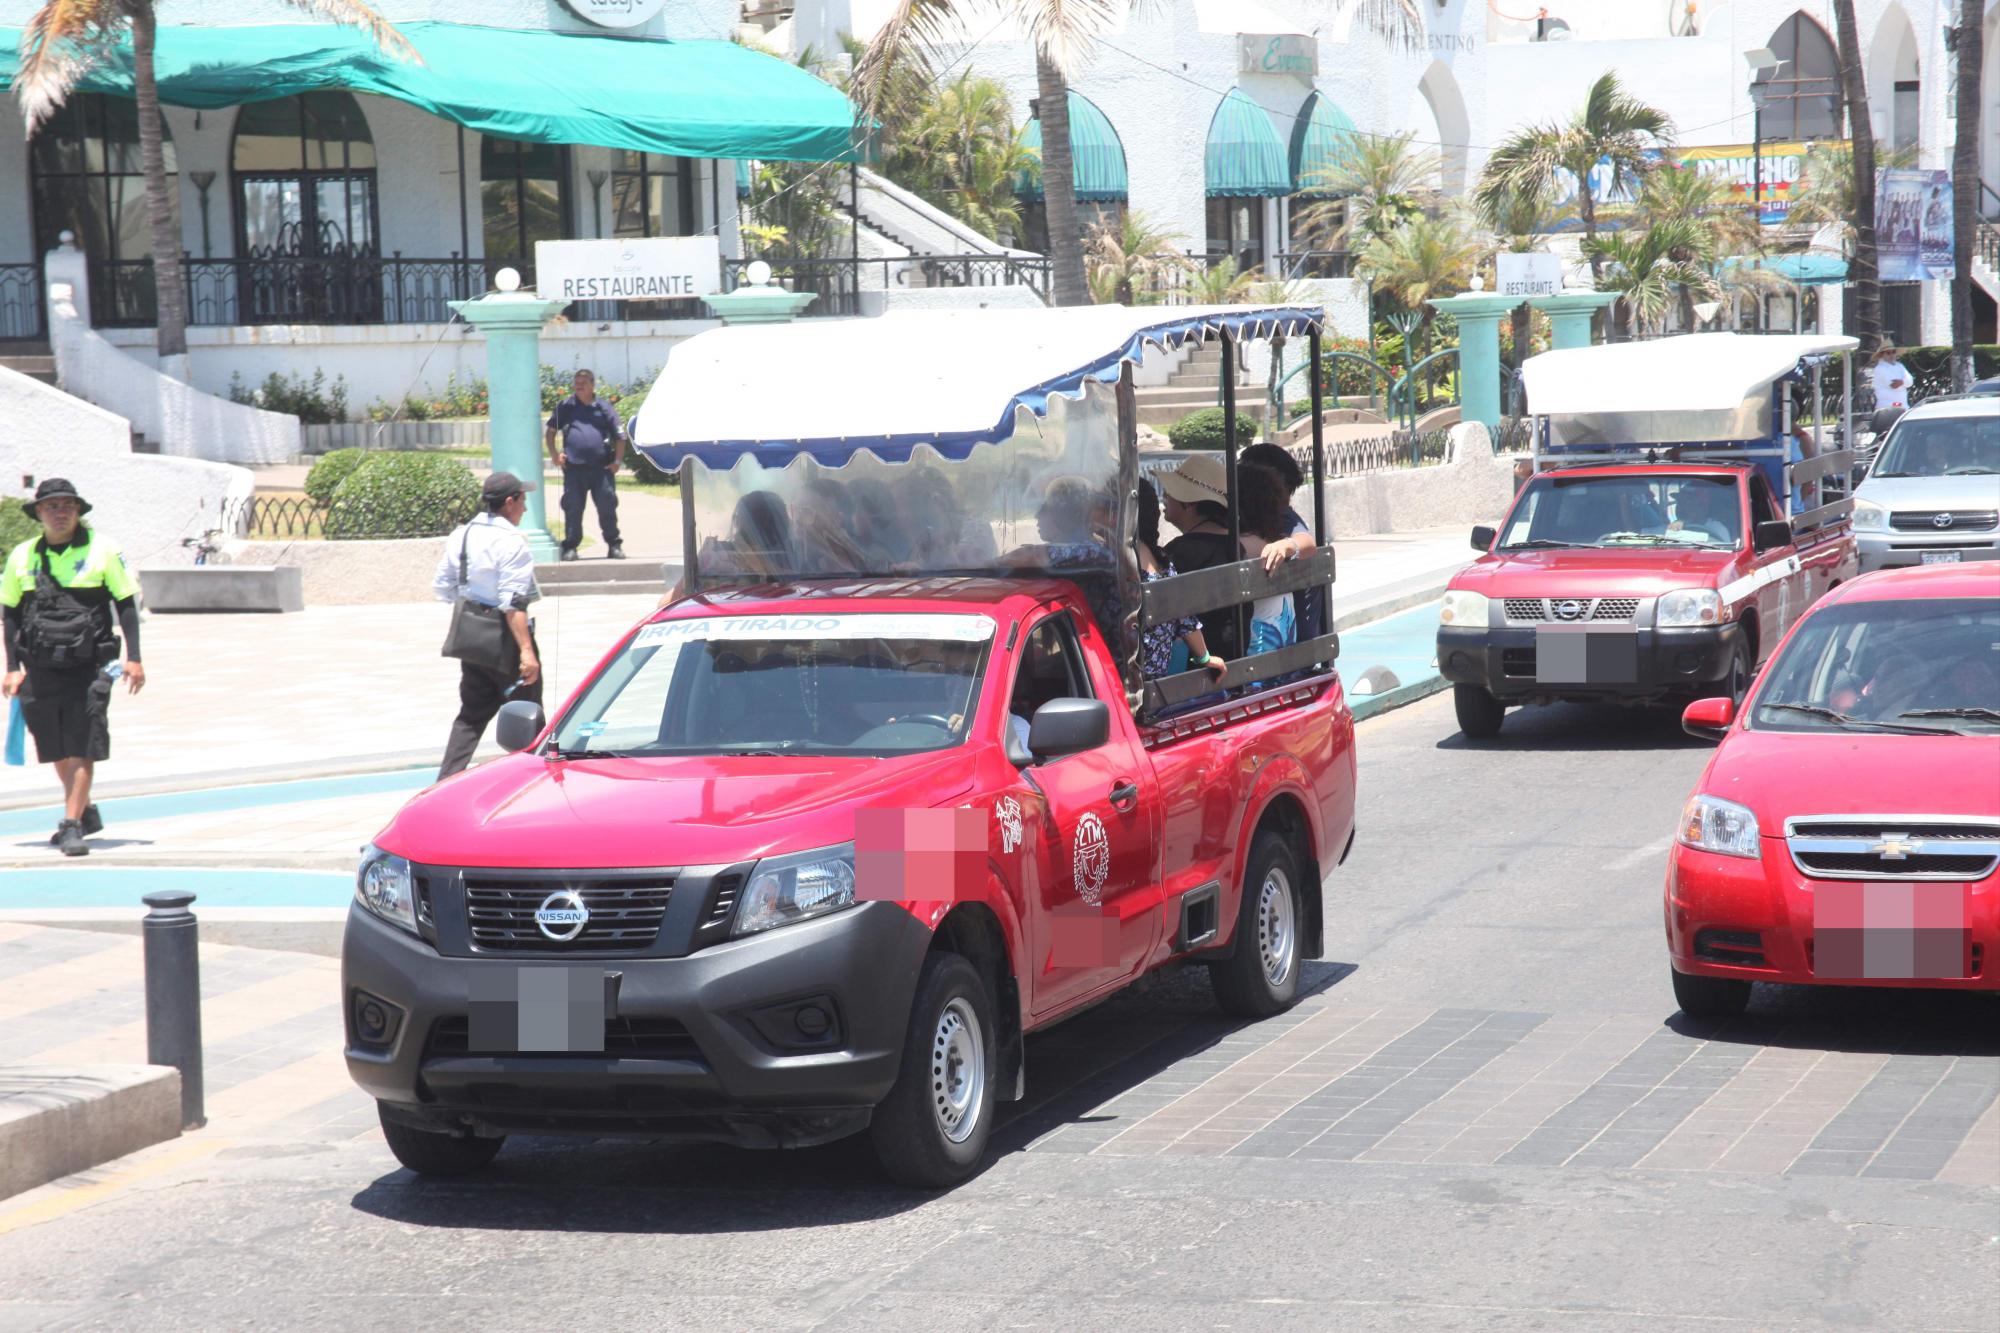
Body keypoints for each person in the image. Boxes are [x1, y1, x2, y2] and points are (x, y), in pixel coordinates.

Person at [0, 479, 145, 856]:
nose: (60, 512)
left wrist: (134, 658)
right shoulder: (22, 556)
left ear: (78, 511)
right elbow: (10, 613)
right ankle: (84, 810)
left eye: (67, 505)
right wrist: (12, 667)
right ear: (39, 514)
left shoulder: (104, 551)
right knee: (56, 748)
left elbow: (126, 603)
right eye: (51, 506)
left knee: (81, 744)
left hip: (90, 666)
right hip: (40, 666)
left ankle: (70, 825)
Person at [434, 472, 544, 779]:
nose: (524, 507)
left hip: (471, 640)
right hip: (506, 640)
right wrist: (526, 652)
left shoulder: (462, 534)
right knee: (527, 717)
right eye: (522, 500)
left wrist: (474, 605)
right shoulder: (511, 541)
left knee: (470, 717)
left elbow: (442, 587)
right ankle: (533, 780)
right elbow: (514, 604)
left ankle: (445, 780)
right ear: (510, 502)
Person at [1135, 477, 1227, 683]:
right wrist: (1204, 657)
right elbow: (1183, 615)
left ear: (1190, 504)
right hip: (1161, 673)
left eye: (1171, 492)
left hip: (1137, 676)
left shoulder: (1182, 550)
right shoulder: (1161, 557)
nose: (1165, 497)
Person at [545, 368, 626, 562]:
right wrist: (555, 455)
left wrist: (617, 461)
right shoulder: (566, 406)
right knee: (572, 507)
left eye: (583, 383)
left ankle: (614, 545)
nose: (578, 386)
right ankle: (571, 547)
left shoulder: (604, 407)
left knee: (607, 506)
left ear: (592, 385)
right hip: (574, 469)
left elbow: (620, 436)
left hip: (602, 469)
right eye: (576, 383)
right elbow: (550, 432)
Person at [1668, 482, 1738, 544]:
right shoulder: (1673, 525)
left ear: (1702, 507)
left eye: (1688, 503)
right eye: (1680, 502)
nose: (1681, 508)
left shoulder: (1718, 529)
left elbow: (1725, 553)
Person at [1869, 346, 1911, 435]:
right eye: (1888, 353)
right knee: (1886, 436)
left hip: (1903, 406)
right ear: (1882, 355)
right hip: (1886, 409)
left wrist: (1902, 382)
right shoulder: (1880, 369)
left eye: (1893, 352)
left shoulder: (1900, 366)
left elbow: (1910, 381)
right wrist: (1904, 382)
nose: (1891, 355)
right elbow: (1894, 385)